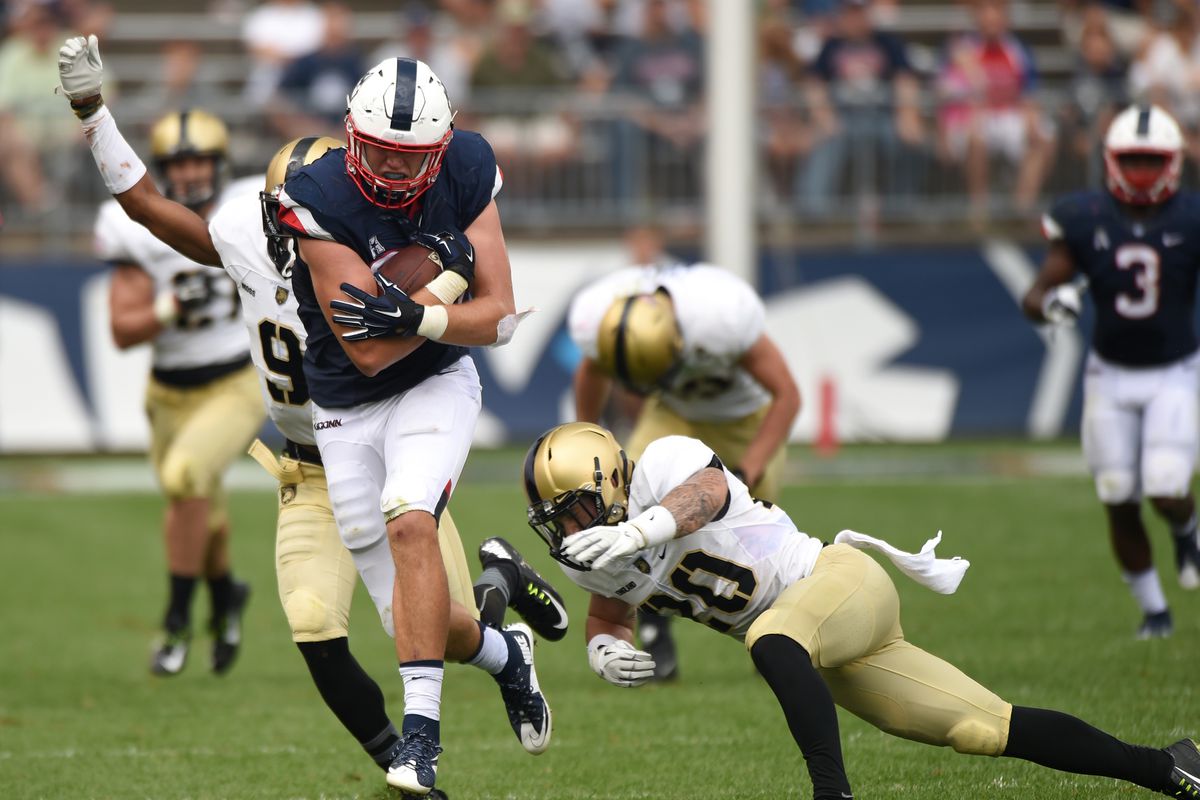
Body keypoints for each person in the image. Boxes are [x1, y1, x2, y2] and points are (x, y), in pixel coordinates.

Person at [58, 37, 564, 796]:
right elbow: (148, 209)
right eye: (285, 215)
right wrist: (95, 115)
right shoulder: (246, 235)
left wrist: (440, 291)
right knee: (351, 627)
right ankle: (463, 690)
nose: (295, 229)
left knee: (427, 594)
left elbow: (466, 309)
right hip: (311, 459)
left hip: (399, 420)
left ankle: (443, 708)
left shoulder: (378, 225)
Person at [521, 421, 1200, 800]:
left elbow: (709, 493)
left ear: (609, 476)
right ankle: (1167, 765)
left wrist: (640, 530)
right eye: (556, 520)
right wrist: (602, 647)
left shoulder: (661, 463)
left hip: (840, 584)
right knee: (981, 727)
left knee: (770, 640)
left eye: (574, 507)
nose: (570, 528)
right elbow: (609, 610)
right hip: (817, 645)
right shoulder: (592, 551)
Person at [274, 55, 544, 795]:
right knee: (416, 625)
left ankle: (420, 742)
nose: (393, 167)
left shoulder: (466, 165)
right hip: (344, 404)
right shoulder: (315, 195)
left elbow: (500, 317)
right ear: (349, 136)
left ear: (443, 144)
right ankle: (505, 655)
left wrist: (426, 304)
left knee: (409, 518)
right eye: (381, 149)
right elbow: (366, 351)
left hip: (434, 383)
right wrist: (443, 274)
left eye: (411, 154)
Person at [568, 226, 801, 679]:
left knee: (761, 535)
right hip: (673, 412)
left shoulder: (721, 314)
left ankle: (784, 632)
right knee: (629, 503)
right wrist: (590, 437)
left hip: (744, 416)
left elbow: (787, 394)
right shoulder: (604, 318)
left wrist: (750, 467)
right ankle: (651, 625)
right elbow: (593, 369)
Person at [88, 99, 263, 677]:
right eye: (177, 164)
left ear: (220, 164)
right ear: (161, 170)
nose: (189, 173)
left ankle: (176, 621)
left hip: (236, 383)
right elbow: (120, 330)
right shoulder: (136, 226)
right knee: (199, 510)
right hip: (166, 393)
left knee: (186, 478)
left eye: (199, 162)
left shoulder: (246, 210)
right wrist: (165, 307)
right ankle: (226, 595)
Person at [1022, 104, 1200, 639]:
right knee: (1117, 491)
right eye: (1133, 160)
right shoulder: (1083, 217)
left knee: (1167, 485)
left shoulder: (1191, 216)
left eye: (1152, 160)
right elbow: (1036, 295)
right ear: (1111, 162)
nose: (1143, 171)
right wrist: (1053, 305)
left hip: (1174, 368)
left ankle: (1186, 529)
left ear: (1173, 163)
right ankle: (1155, 611)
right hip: (1110, 371)